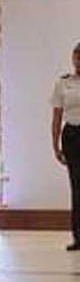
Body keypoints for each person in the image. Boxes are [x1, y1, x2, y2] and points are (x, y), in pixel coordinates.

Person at [52, 42, 80, 251]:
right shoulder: (64, 84)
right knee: (76, 187)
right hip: (72, 135)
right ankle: (78, 237)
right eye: (77, 57)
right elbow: (57, 116)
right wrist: (55, 145)